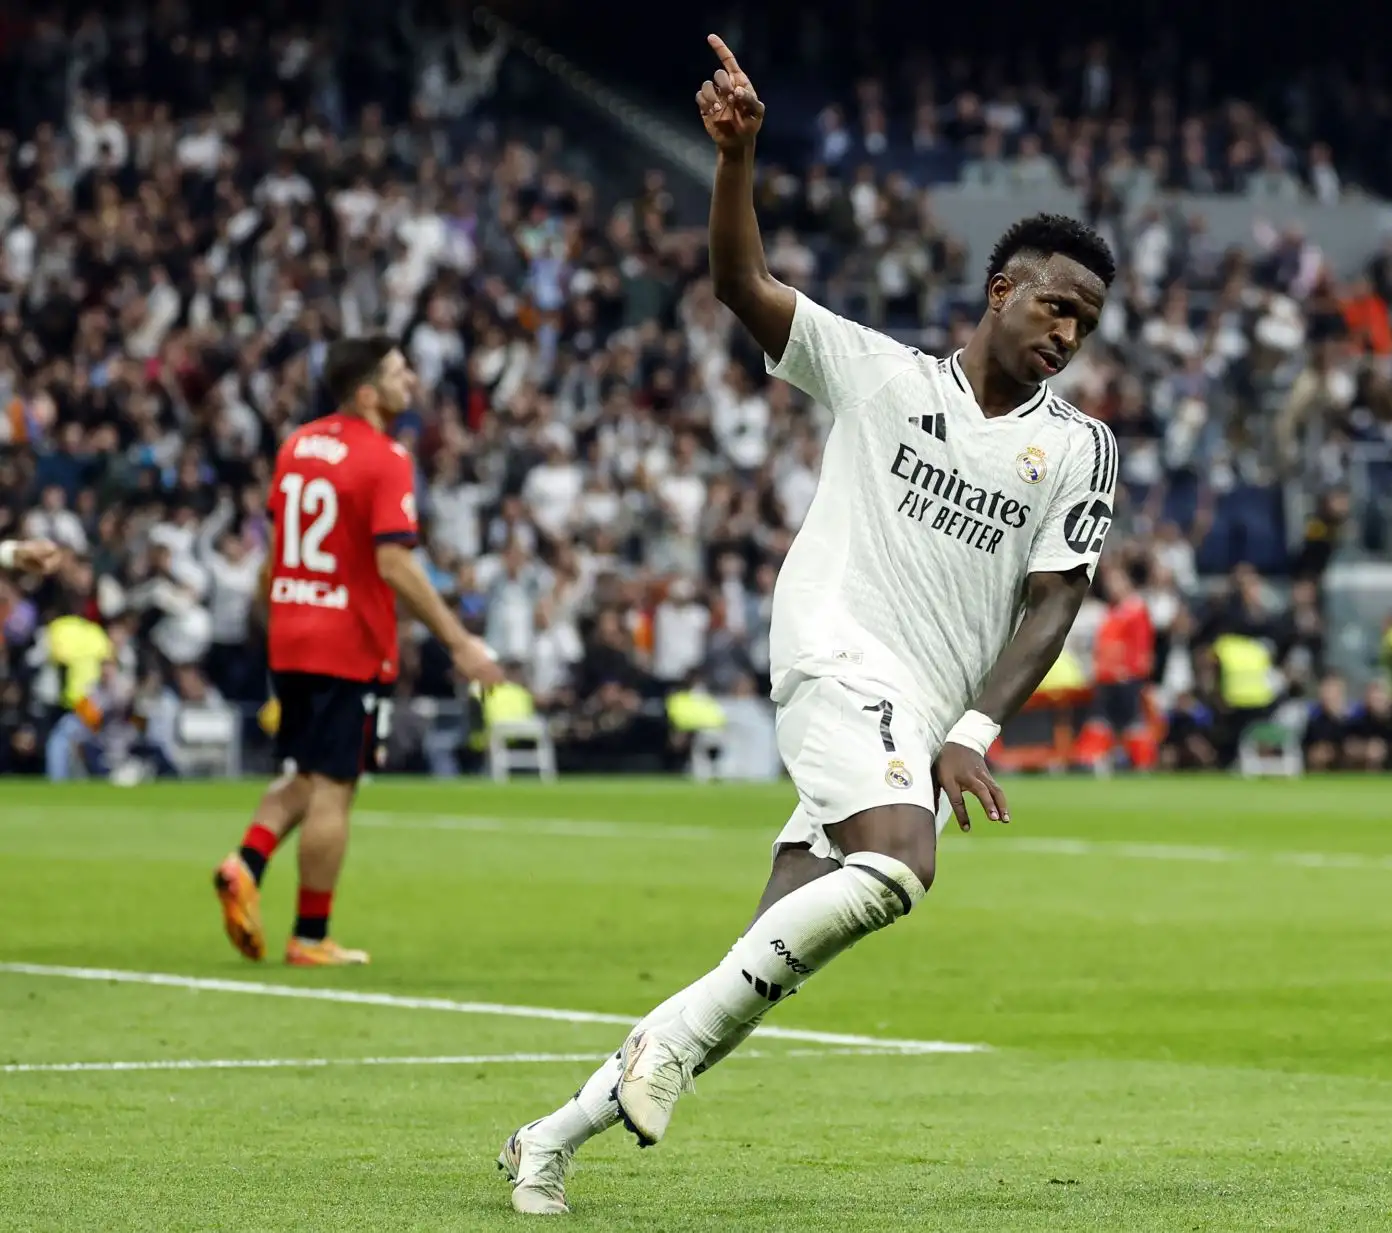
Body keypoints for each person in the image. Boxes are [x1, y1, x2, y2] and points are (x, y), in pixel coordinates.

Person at [498, 36, 1118, 1217]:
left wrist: (975, 724)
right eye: (1054, 304)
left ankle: (553, 1136)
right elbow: (742, 286)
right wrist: (736, 162)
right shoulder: (880, 376)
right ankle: (660, 1061)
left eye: (1086, 321)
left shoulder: (1077, 448)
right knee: (900, 861)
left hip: (920, 712)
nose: (1067, 333)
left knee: (760, 964)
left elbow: (1058, 597)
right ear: (1001, 292)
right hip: (837, 658)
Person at [211, 337, 501, 967]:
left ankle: (246, 862)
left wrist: (278, 617)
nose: (413, 380)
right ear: (367, 392)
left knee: (305, 772)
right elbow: (394, 561)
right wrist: (460, 642)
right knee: (334, 790)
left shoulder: (296, 446)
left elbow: (273, 552)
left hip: (290, 631)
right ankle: (310, 935)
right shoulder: (385, 456)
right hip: (347, 642)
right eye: (400, 372)